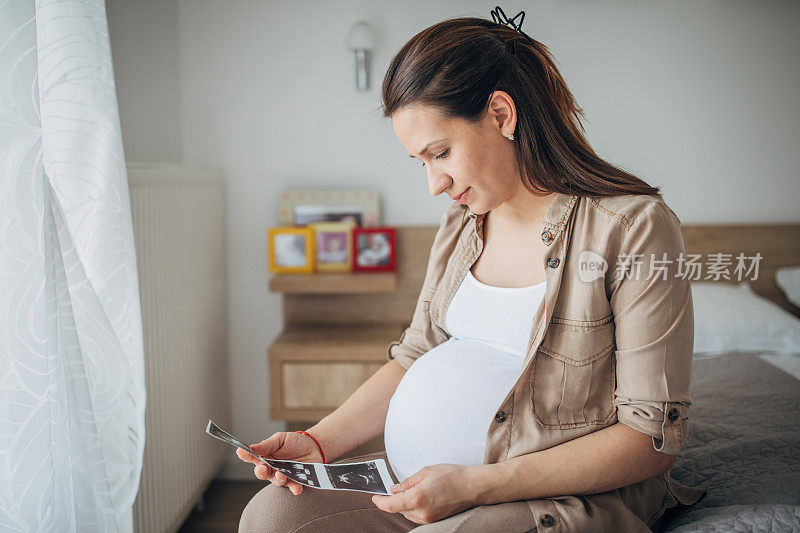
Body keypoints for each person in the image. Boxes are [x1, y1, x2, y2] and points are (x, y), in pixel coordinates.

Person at [237, 8, 707, 532]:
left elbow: (649, 441)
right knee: (274, 515)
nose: (434, 183)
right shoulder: (462, 224)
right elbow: (415, 355)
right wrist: (318, 441)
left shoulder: (631, 226)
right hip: (423, 489)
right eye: (422, 162)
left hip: (547, 498)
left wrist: (471, 484)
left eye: (441, 153)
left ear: (502, 115)